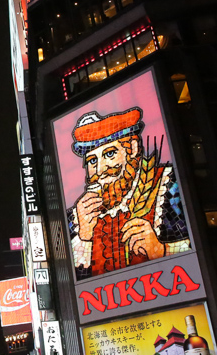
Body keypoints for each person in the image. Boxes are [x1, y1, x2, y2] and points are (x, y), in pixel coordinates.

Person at [65, 107, 189, 279]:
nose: (100, 170)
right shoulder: (76, 217)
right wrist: (83, 238)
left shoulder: (168, 185)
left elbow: (202, 244)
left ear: (132, 147)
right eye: (92, 161)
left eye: (109, 154)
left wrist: (161, 249)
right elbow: (68, 278)